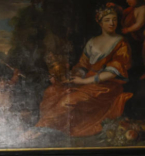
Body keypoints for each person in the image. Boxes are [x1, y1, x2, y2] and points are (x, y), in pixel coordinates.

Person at [35, 5, 133, 138]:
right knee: (52, 91)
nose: (111, 23)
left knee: (68, 100)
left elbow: (114, 71)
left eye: (114, 20)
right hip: (86, 82)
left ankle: (40, 128)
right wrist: (72, 76)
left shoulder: (121, 43)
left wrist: (84, 80)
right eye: (107, 20)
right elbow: (83, 65)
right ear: (100, 22)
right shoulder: (92, 42)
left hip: (106, 86)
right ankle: (50, 128)